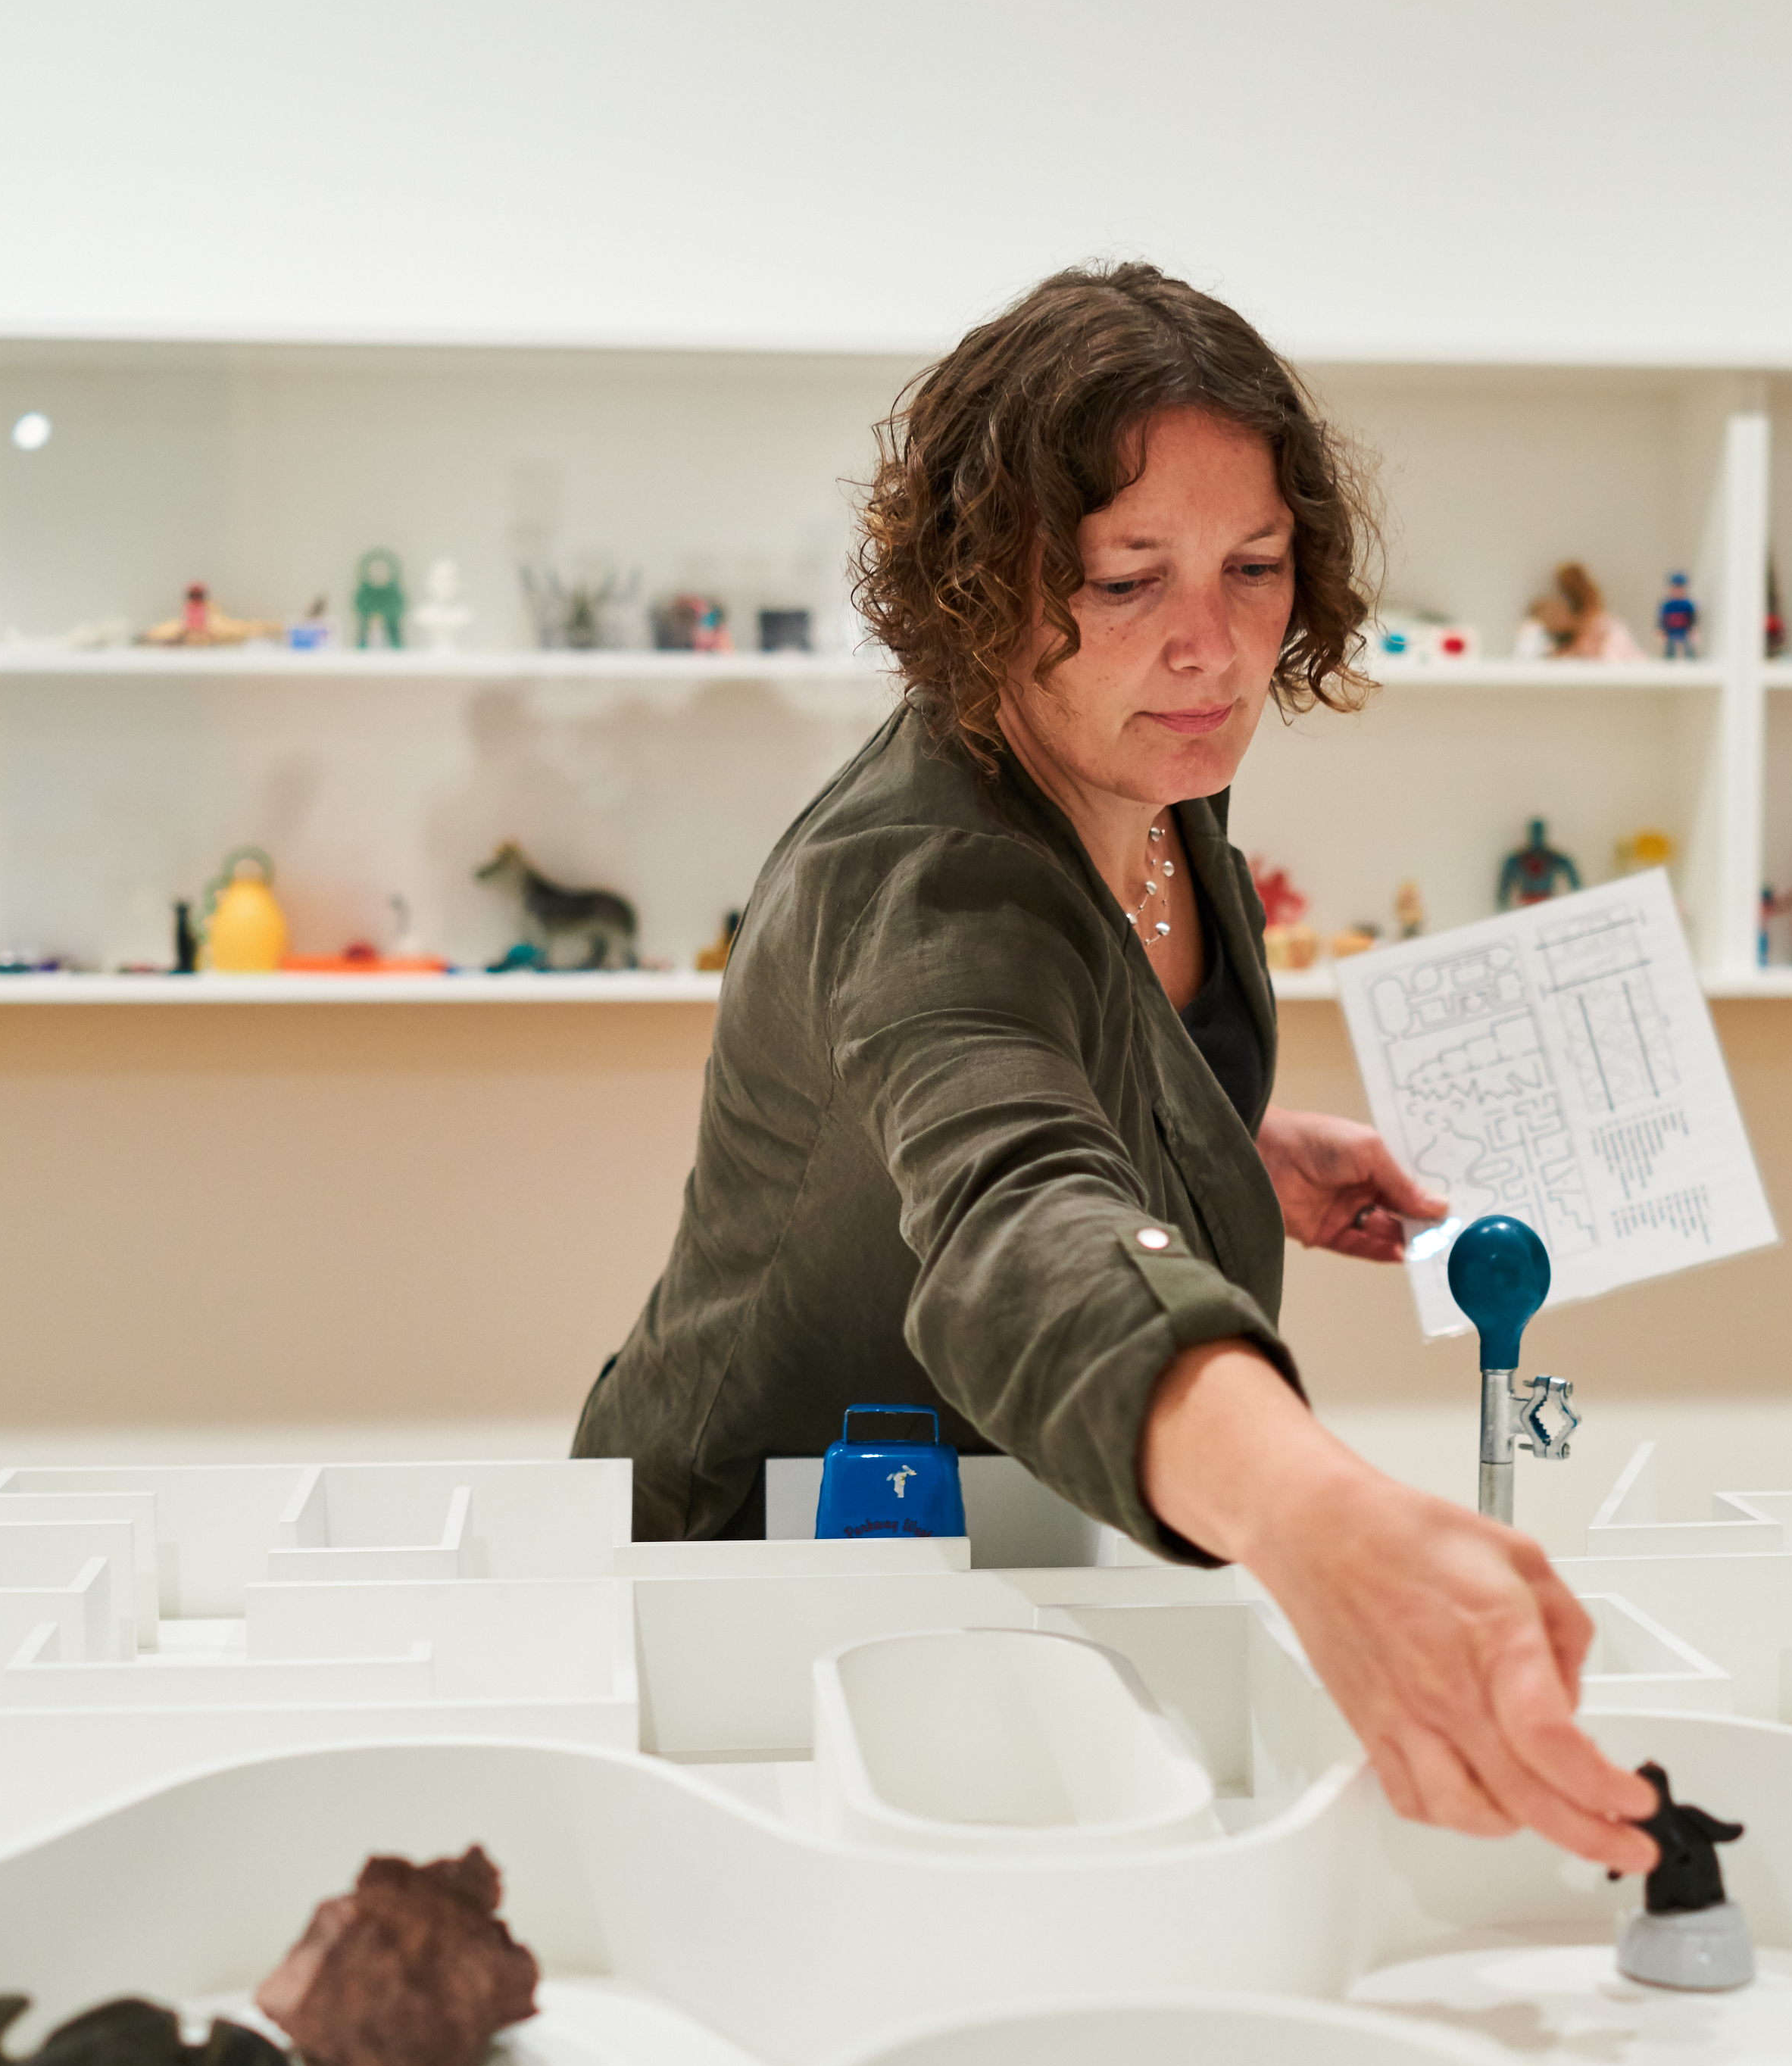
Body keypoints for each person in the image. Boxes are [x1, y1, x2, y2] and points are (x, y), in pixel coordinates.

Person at [574, 264, 1656, 1871]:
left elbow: (1066, 1068)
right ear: (980, 584)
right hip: (758, 1594)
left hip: (994, 1547)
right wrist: (1312, 1519)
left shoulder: (1146, 779)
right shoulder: (930, 876)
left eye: (1255, 566)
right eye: (1127, 578)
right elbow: (1019, 1214)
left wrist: (1221, 1137)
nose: (1210, 646)